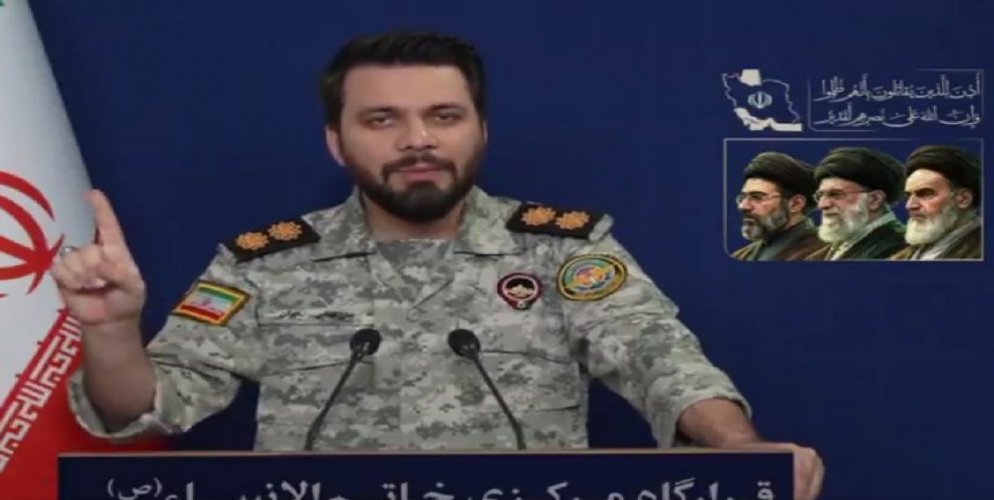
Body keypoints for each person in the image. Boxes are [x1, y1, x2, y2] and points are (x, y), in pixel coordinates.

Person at [54, 30, 823, 499]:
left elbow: (663, 363)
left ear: (480, 130)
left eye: (443, 116)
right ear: (337, 142)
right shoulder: (263, 263)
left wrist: (738, 452)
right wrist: (113, 330)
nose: (417, 139)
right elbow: (148, 407)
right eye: (382, 119)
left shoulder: (564, 249)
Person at [805, 147, 907, 260]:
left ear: (875, 200)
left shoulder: (898, 249)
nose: (823, 205)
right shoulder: (823, 254)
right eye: (820, 196)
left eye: (836, 194)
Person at [890, 145, 982, 260]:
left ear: (963, 199)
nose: (910, 205)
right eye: (908, 195)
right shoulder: (902, 257)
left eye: (925, 194)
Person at [731, 151, 826, 261]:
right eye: (742, 197)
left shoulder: (826, 253)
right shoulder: (740, 256)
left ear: (796, 204)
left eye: (757, 197)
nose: (743, 206)